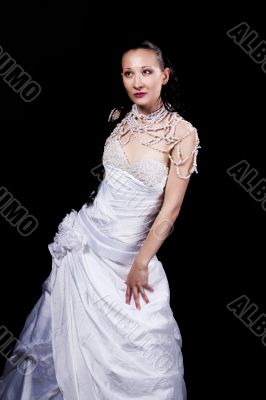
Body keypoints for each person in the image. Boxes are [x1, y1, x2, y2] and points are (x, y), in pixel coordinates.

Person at [0, 40, 200, 399]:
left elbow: (171, 209)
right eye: (128, 73)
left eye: (146, 71)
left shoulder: (182, 133)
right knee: (61, 345)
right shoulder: (118, 117)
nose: (137, 80)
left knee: (138, 361)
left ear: (164, 76)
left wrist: (141, 262)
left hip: (131, 258)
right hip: (88, 247)